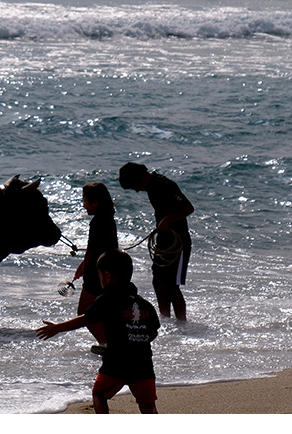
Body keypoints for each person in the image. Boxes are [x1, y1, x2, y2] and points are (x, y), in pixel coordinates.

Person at [36, 249, 161, 414]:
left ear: (107, 276)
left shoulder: (107, 300)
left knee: (99, 394)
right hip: (143, 365)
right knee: (148, 405)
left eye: (100, 275)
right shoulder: (145, 304)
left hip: (116, 363)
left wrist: (57, 327)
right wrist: (135, 340)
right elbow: (153, 332)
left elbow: (85, 319)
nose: (100, 279)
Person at [119, 162, 194, 321]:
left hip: (179, 242)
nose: (138, 190)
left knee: (172, 285)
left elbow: (188, 208)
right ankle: (165, 318)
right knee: (158, 281)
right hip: (164, 240)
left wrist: (167, 220)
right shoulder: (152, 187)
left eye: (135, 186)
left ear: (140, 178)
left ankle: (182, 322)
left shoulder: (165, 185)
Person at [72, 182, 118, 352]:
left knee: (85, 312)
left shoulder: (97, 222)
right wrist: (84, 264)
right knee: (105, 311)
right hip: (111, 269)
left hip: (96, 272)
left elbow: (92, 250)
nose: (84, 205)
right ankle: (111, 343)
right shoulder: (109, 219)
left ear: (95, 202)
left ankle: (105, 344)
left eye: (85, 201)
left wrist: (86, 266)